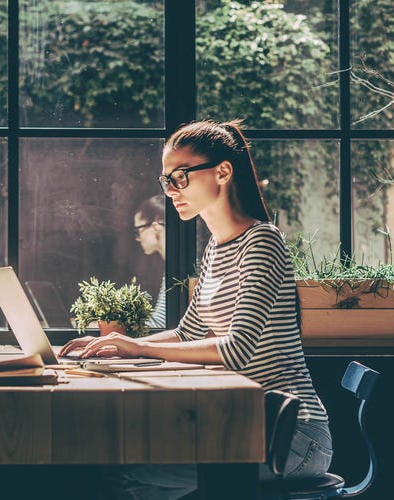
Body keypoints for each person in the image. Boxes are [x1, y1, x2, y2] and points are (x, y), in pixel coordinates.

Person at [61, 120, 332, 499]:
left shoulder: (263, 242)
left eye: (181, 176)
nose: (171, 190)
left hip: (293, 435)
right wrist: (120, 344)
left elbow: (236, 351)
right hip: (242, 424)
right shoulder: (215, 250)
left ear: (222, 172)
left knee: (129, 475)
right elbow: (187, 333)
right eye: (166, 180)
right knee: (115, 461)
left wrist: (138, 348)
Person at [133, 195, 167, 328]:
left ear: (155, 227)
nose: (137, 238)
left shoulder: (176, 270)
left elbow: (160, 325)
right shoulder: (170, 266)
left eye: (138, 231)